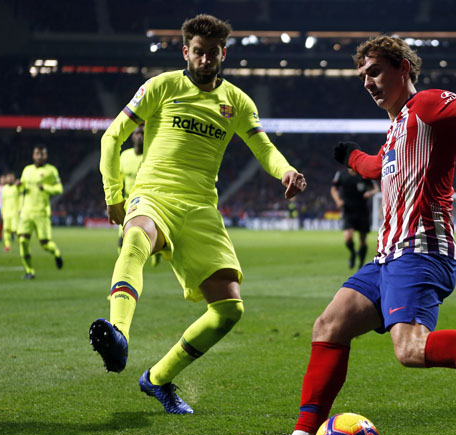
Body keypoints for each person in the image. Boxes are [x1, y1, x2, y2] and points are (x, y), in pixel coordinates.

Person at [245, 37, 456, 435]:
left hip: (421, 251)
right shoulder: (397, 126)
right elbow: (378, 166)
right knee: (328, 326)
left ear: (403, 69)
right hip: (387, 258)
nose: (368, 83)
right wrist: (352, 157)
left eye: (375, 72)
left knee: (411, 349)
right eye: (362, 76)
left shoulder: (429, 105)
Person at [89, 13, 307, 414]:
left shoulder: (238, 102)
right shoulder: (161, 86)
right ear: (185, 51)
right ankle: (117, 335)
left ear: (223, 53)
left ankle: (157, 379)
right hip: (153, 193)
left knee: (229, 310)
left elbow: (263, 148)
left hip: (201, 207)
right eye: (198, 52)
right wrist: (114, 197)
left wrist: (286, 171)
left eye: (212, 53)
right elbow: (112, 136)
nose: (205, 59)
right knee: (136, 238)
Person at [117, 125, 162, 266]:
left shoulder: (151, 156)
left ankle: (157, 251)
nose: (140, 136)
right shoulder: (125, 156)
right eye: (137, 133)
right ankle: (125, 266)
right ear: (132, 136)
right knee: (121, 240)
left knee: (147, 234)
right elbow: (118, 179)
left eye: (143, 133)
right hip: (128, 203)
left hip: (146, 202)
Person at [17, 145, 64, 279]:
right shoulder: (27, 170)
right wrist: (19, 187)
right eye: (37, 154)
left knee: (45, 245)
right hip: (26, 212)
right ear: (33, 155)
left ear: (46, 156)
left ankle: (56, 253)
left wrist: (46, 187)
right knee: (22, 241)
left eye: (42, 154)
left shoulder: (51, 171)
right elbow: (23, 188)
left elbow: (59, 188)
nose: (39, 156)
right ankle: (29, 271)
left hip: (41, 213)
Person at [330, 167, 379, 269]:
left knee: (363, 240)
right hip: (348, 210)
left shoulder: (363, 174)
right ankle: (353, 253)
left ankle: (361, 262)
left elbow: (376, 188)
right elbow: (333, 189)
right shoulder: (341, 174)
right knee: (348, 237)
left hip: (362, 211)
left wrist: (370, 193)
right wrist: (338, 200)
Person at [1, 173, 20, 252]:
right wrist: (2, 211)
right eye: (8, 178)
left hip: (15, 213)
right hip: (6, 213)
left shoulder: (17, 188)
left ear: (14, 179)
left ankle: (21, 244)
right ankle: (7, 246)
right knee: (6, 230)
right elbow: (3, 201)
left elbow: (20, 198)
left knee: (16, 230)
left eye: (11, 178)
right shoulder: (4, 188)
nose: (9, 179)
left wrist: (20, 209)